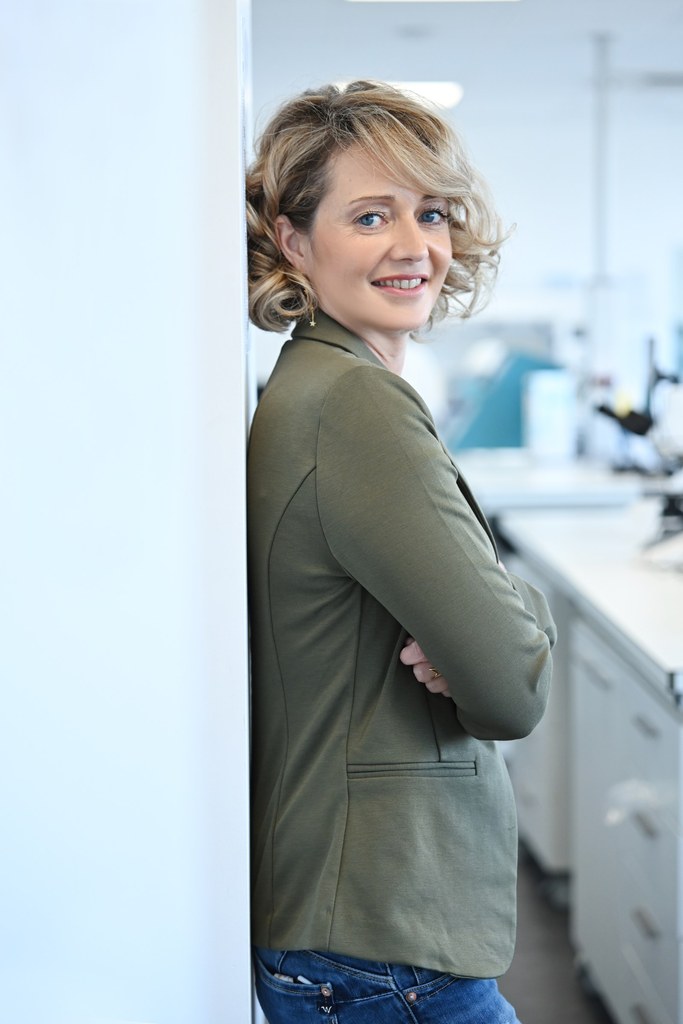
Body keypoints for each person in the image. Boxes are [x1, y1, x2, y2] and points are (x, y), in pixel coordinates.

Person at [246, 80, 556, 1024]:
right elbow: (510, 687)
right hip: (385, 946)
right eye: (370, 215)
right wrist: (508, 618)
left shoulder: (313, 385)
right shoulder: (354, 407)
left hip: (352, 935)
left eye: (430, 213)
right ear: (295, 242)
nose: (413, 246)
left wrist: (481, 621)